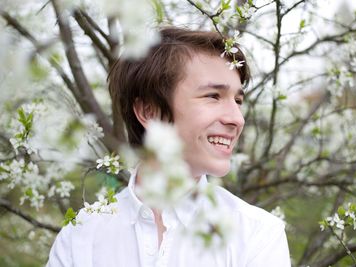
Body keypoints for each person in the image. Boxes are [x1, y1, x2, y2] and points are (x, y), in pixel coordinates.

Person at [47, 27, 290, 267]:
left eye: (238, 100)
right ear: (149, 111)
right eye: (213, 96)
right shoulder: (81, 237)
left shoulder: (257, 234)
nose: (237, 118)